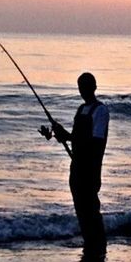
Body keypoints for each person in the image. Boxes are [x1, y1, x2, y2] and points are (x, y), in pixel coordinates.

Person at [51, 73, 109, 248]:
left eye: (85, 86)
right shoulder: (80, 110)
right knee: (81, 211)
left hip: (90, 170)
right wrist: (59, 134)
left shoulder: (100, 110)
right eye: (80, 86)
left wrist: (69, 137)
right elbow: (74, 138)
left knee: (91, 210)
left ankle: (98, 246)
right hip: (75, 168)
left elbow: (96, 142)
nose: (82, 90)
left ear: (94, 87)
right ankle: (90, 244)